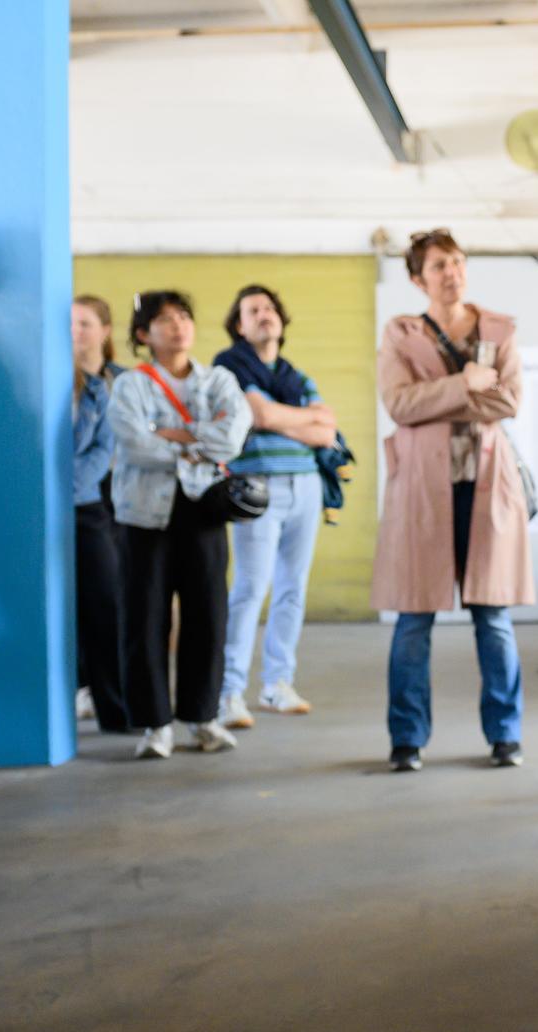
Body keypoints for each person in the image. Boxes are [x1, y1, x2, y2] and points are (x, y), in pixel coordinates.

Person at [373, 228, 532, 773]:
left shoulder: (499, 329)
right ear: (418, 279)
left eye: (458, 261)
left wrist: (437, 400)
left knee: (493, 615)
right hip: (424, 488)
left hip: (485, 484)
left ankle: (506, 735)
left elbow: (509, 402)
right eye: (439, 265)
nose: (452, 272)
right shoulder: (401, 333)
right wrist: (467, 383)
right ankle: (407, 739)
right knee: (414, 617)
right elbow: (399, 405)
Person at [108, 290, 250, 760]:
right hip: (143, 515)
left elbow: (232, 438)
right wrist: (196, 444)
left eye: (184, 317)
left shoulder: (219, 380)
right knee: (144, 617)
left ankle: (203, 717)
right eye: (165, 320)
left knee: (208, 615)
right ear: (144, 334)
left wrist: (169, 434)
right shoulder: (131, 385)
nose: (178, 326)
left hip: (203, 511)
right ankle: (155, 724)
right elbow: (134, 444)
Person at [212, 284, 336, 729]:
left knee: (292, 588)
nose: (264, 314)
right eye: (253, 310)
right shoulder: (229, 367)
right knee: (250, 587)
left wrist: (277, 417)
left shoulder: (295, 375)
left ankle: (277, 684)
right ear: (239, 325)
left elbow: (327, 431)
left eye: (269, 308)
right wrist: (299, 418)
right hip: (258, 487)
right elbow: (258, 416)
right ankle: (229, 692)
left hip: (306, 486)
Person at [71, 294, 129, 734]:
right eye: (70, 323)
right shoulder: (54, 378)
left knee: (107, 600)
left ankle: (113, 701)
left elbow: (108, 449)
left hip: (105, 496)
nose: (75, 332)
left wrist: (67, 484)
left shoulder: (117, 382)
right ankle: (78, 687)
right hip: (76, 496)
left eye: (85, 323)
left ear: (105, 331)